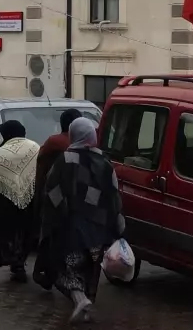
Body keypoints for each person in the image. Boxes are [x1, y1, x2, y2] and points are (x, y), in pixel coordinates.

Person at [41, 118, 125, 323]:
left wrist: (58, 217)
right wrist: (117, 225)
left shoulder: (65, 160)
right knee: (91, 270)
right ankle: (86, 308)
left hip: (73, 229)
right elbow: (114, 196)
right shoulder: (105, 162)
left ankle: (80, 301)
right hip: (99, 230)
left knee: (65, 268)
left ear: (73, 134)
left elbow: (52, 191)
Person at [0, 120, 41, 282]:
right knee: (25, 230)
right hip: (29, 199)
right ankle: (21, 261)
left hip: (5, 201)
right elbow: (40, 169)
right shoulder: (34, 147)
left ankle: (14, 262)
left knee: (8, 231)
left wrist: (6, 184)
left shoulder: (2, 151)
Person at [32, 108, 81, 287]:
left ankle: (45, 272)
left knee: (49, 236)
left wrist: (38, 195)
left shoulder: (54, 142)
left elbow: (41, 167)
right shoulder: (86, 144)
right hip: (78, 201)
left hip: (53, 198)